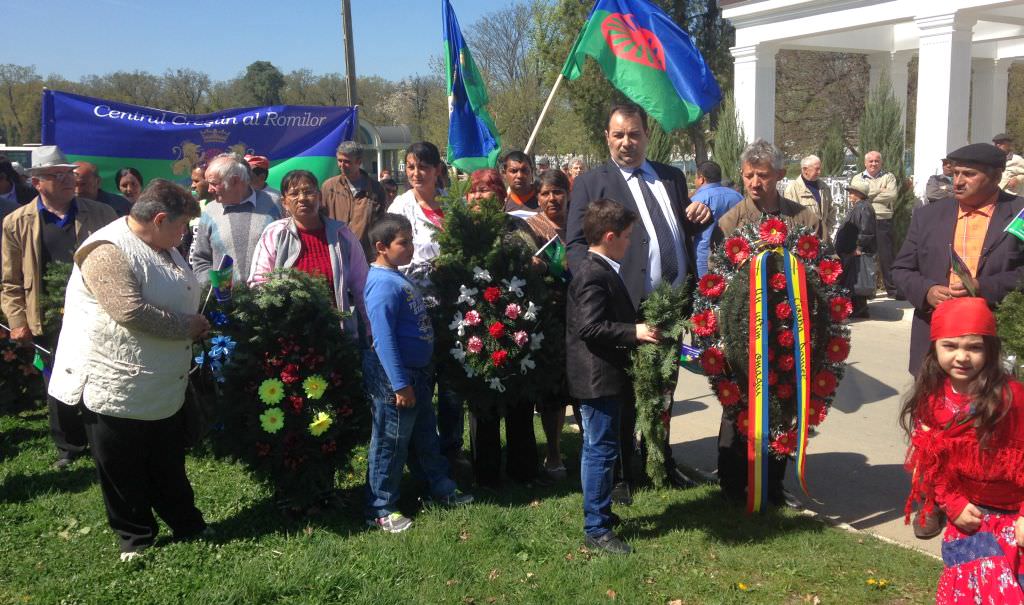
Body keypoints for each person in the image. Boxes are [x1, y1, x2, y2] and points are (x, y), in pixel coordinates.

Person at [47, 179, 211, 562]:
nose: (184, 234)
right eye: (181, 225)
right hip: (113, 379)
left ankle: (187, 522)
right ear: (158, 219)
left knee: (166, 459)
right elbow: (129, 311)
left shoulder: (162, 244)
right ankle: (135, 537)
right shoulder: (106, 250)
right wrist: (185, 326)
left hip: (157, 378)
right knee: (122, 463)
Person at [567, 103, 712, 499]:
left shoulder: (669, 176)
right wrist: (594, 288)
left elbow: (669, 227)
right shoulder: (591, 183)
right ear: (607, 137)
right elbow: (576, 246)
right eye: (618, 135)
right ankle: (619, 476)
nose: (627, 142)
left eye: (634, 134)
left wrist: (695, 215)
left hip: (672, 307)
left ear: (646, 135)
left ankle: (661, 461)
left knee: (665, 389)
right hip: (624, 311)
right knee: (622, 396)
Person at [892, 142, 1024, 538]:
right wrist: (928, 291)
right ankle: (931, 500)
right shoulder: (930, 215)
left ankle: (991, 501)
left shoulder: (1018, 214)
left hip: (992, 338)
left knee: (991, 425)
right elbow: (901, 268)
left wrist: (984, 288)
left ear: (996, 176)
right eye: (955, 172)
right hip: (937, 340)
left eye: (969, 174)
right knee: (933, 425)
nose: (958, 181)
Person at [713, 139, 819, 508]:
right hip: (742, 335)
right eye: (748, 176)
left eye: (763, 176)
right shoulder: (730, 222)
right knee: (737, 404)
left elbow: (822, 273)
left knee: (784, 405)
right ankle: (731, 481)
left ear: (780, 175)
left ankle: (773, 483)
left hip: (790, 332)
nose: (755, 183)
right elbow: (716, 280)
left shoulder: (804, 219)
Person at [900, 297, 1024, 603]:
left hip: (1013, 522)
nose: (962, 357)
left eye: (974, 347)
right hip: (968, 519)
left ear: (991, 349)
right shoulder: (931, 399)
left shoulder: (1012, 398)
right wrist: (951, 503)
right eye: (950, 346)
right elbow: (930, 462)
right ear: (934, 349)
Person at [1, 145, 118, 469]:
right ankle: (69, 445)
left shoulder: (101, 213)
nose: (68, 180)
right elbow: (10, 281)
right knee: (57, 379)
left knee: (100, 375)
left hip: (96, 310)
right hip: (47, 315)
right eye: (58, 175)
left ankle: (103, 438)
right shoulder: (16, 222)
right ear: (37, 182)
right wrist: (18, 321)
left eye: (69, 174)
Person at [363, 214, 473, 533]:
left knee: (426, 432)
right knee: (391, 441)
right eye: (404, 242)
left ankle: (439, 486)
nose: (411, 247)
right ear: (381, 247)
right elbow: (382, 339)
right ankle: (380, 507)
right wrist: (399, 383)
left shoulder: (397, 276)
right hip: (396, 379)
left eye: (411, 240)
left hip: (418, 374)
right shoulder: (382, 285)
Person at [568, 198, 660, 555]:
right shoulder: (593, 273)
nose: (629, 242)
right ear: (609, 236)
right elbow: (590, 327)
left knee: (601, 448)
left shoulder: (600, 267)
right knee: (600, 451)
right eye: (627, 236)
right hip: (597, 377)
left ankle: (600, 511)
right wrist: (633, 332)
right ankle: (596, 528)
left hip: (603, 375)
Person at [387, 142, 469, 472]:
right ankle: (421, 452)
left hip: (453, 307)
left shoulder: (453, 204)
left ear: (437, 170)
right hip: (416, 309)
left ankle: (452, 448)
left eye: (422, 167)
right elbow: (391, 256)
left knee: (452, 384)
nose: (415, 174)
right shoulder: (400, 207)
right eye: (410, 167)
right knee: (422, 381)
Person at [248, 169, 368, 338]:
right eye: (294, 193)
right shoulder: (275, 233)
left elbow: (362, 286)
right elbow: (258, 282)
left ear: (319, 196)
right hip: (288, 335)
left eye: (308, 191)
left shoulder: (342, 235)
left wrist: (371, 330)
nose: (302, 198)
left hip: (335, 335)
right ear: (284, 202)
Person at [190, 153, 281, 286]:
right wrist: (215, 289)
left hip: (270, 301)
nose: (209, 190)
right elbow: (201, 259)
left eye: (214, 184)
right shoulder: (210, 211)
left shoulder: (276, 204)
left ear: (235, 181)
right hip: (223, 302)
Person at [321, 141, 387, 259]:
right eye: (339, 161)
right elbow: (320, 218)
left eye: (347, 162)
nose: (342, 165)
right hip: (335, 254)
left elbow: (381, 223)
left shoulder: (376, 189)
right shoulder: (329, 187)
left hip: (366, 256)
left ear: (359, 162)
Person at [849, 151, 899, 298]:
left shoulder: (888, 177)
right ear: (865, 163)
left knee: (886, 256)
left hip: (883, 220)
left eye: (876, 161)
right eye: (870, 161)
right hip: (864, 221)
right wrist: (879, 191)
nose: (873, 164)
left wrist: (866, 194)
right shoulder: (857, 178)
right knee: (863, 256)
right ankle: (862, 290)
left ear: (881, 162)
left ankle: (892, 290)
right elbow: (857, 196)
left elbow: (892, 195)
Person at [691, 161, 742, 277]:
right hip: (735, 256)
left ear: (701, 179)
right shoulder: (737, 196)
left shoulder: (697, 200)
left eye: (695, 178)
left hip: (704, 261)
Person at [834, 181, 876, 318]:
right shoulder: (859, 207)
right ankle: (857, 308)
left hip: (856, 250)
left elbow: (866, 230)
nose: (849, 195)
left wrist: (859, 247)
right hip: (851, 249)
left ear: (859, 194)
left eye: (852, 192)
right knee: (854, 280)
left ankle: (859, 309)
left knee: (857, 280)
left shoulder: (864, 208)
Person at [783, 154, 834, 243]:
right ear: (805, 170)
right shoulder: (793, 189)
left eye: (820, 169)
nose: (819, 172)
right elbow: (790, 217)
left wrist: (826, 231)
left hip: (822, 239)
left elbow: (831, 211)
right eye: (816, 169)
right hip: (803, 242)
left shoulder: (824, 187)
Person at [993, 133, 1024, 197]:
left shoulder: (1017, 159)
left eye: (1001, 143)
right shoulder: (992, 160)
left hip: (1013, 197)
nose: (998, 145)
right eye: (996, 143)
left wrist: (1018, 179)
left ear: (1009, 145)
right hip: (995, 197)